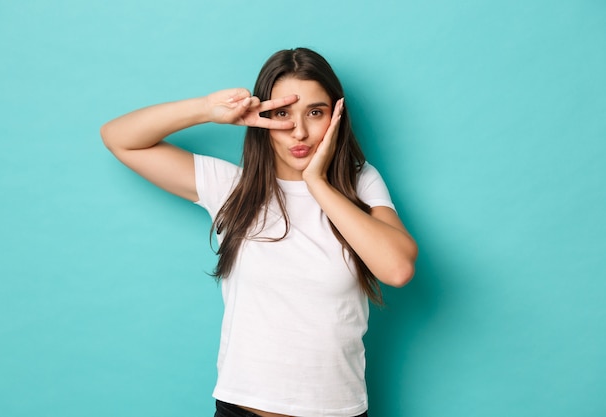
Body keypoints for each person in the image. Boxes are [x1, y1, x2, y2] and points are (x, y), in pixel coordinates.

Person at [100, 47, 418, 417]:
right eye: (282, 113)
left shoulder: (359, 181)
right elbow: (118, 137)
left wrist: (317, 183)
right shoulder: (233, 190)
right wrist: (207, 109)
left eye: (315, 112)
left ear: (337, 116)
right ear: (262, 117)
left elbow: (397, 269)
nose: (299, 131)